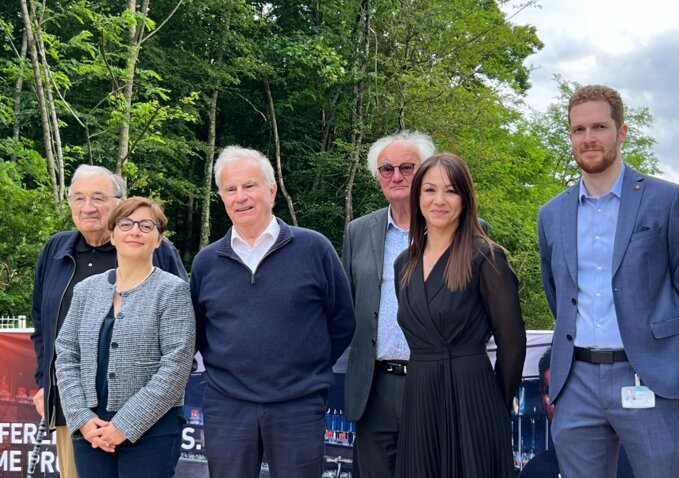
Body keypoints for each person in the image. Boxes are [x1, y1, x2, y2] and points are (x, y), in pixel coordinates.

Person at [537, 85, 679, 477]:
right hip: (575, 381)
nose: (588, 138)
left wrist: (660, 350)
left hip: (647, 376)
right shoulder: (551, 214)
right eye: (578, 130)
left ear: (622, 131)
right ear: (570, 136)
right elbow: (558, 294)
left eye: (599, 126)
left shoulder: (665, 200)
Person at [190, 146, 356, 478]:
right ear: (221, 197)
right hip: (228, 406)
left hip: (297, 405)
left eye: (249, 186)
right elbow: (198, 331)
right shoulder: (206, 262)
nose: (240, 197)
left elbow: (342, 321)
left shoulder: (314, 248)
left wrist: (301, 368)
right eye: (230, 189)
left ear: (271, 190)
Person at [30, 165, 186, 477]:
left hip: (149, 422)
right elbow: (48, 330)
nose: (88, 207)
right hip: (77, 412)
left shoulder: (162, 263)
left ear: (119, 201)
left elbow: (179, 353)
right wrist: (46, 384)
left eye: (98, 198)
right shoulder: (56, 251)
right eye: (79, 198)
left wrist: (130, 420)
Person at [394, 153, 526, 477]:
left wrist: (494, 405)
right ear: (417, 197)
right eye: (429, 190)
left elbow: (512, 344)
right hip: (420, 398)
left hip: (473, 398)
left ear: (465, 199)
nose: (440, 200)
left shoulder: (486, 257)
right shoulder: (404, 264)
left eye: (451, 190)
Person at [341, 131, 434, 478]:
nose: (396, 176)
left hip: (434, 384)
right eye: (387, 169)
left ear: (426, 171)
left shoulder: (460, 228)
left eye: (407, 167)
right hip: (375, 387)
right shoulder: (358, 231)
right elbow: (346, 305)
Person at [518, 348, 634, 478]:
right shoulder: (535, 472)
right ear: (542, 399)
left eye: (568, 391)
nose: (558, 402)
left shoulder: (631, 463)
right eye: (551, 392)